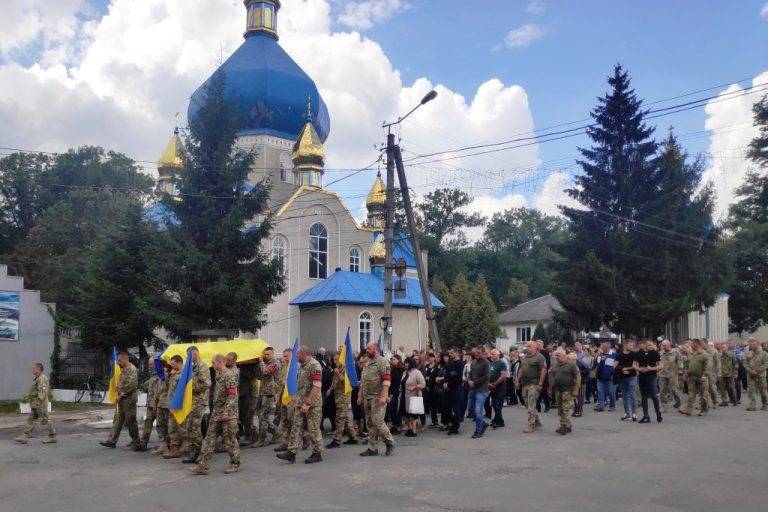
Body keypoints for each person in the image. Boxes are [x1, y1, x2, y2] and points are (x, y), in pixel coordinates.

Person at [190, 354, 240, 475]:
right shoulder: (219, 375)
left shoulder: (229, 375)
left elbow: (233, 395)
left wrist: (227, 412)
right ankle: (202, 466)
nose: (212, 365)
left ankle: (234, 463)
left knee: (230, 440)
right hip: (217, 413)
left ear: (220, 362)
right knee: (209, 439)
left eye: (213, 363)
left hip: (228, 415)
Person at [277, 346, 324, 464]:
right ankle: (291, 453)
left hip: (312, 404)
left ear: (304, 354)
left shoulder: (314, 365)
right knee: (296, 427)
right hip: (300, 402)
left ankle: (317, 453)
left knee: (313, 429)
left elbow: (317, 386)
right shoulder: (302, 366)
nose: (296, 357)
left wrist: (308, 403)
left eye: (298, 355)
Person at [358, 342, 395, 456]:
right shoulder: (367, 362)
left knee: (377, 421)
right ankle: (372, 448)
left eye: (369, 349)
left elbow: (387, 380)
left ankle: (389, 442)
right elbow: (363, 381)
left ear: (375, 349)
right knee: (369, 423)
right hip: (367, 397)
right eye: (366, 349)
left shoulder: (382, 362)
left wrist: (384, 396)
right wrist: (360, 395)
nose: (366, 351)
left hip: (378, 397)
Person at [100, 352, 140, 449]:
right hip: (122, 400)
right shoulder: (124, 370)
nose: (118, 362)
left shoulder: (132, 369)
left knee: (130, 421)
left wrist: (121, 394)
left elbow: (132, 385)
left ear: (124, 359)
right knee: (117, 420)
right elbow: (124, 383)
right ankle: (112, 441)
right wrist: (118, 388)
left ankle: (136, 442)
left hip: (129, 400)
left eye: (119, 360)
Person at [181, 347, 211, 464]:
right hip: (192, 402)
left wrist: (191, 388)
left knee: (195, 429)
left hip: (199, 401)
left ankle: (202, 455)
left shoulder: (202, 366)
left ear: (195, 354)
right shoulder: (193, 367)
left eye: (189, 356)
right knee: (190, 428)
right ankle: (194, 454)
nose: (188, 359)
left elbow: (206, 384)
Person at [14, 363, 56, 445]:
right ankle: (24, 436)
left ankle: (52, 437)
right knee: (31, 419)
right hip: (36, 404)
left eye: (34, 368)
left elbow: (42, 392)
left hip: (40, 404)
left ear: (39, 369)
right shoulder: (38, 378)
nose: (32, 370)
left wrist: (38, 403)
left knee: (46, 420)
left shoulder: (42, 378)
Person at [326, 352, 359, 448]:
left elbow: (348, 383)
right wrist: (330, 389)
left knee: (339, 419)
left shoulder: (346, 369)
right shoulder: (337, 369)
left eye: (336, 359)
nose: (335, 361)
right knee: (345, 418)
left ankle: (336, 440)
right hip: (337, 396)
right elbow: (334, 381)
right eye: (334, 360)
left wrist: (338, 374)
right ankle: (353, 437)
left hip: (344, 397)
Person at [253, 347, 281, 447]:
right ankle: (275, 432)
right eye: (264, 354)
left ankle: (262, 439)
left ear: (273, 353)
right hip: (263, 391)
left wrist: (261, 362)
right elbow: (260, 376)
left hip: (269, 392)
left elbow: (266, 372)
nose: (266, 356)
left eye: (268, 354)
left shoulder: (275, 363)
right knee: (261, 414)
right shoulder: (265, 363)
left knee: (263, 415)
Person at [517, 341, 547, 433]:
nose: (527, 348)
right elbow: (521, 369)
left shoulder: (540, 357)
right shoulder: (525, 357)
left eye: (529, 346)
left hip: (534, 383)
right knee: (527, 404)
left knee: (531, 405)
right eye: (526, 346)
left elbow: (543, 370)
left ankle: (531, 425)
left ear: (535, 347)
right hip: (525, 384)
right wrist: (518, 381)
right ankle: (537, 421)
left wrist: (540, 384)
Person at [137, 357, 164, 452]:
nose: (150, 367)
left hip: (158, 404)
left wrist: (155, 402)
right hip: (150, 404)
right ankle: (143, 443)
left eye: (152, 364)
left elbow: (159, 391)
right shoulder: (152, 376)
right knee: (148, 423)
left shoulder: (161, 375)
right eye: (149, 365)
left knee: (160, 425)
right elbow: (144, 387)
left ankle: (163, 445)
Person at [551, 349, 580, 435]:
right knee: (560, 409)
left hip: (568, 391)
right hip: (558, 390)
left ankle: (563, 426)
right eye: (555, 356)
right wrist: (550, 388)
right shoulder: (555, 366)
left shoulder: (571, 365)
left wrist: (576, 389)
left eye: (558, 355)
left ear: (564, 356)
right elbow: (554, 378)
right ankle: (568, 425)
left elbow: (578, 377)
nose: (556, 357)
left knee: (566, 409)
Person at [680, 339, 710, 416]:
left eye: (692, 343)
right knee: (691, 394)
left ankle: (704, 410)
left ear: (697, 344)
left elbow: (708, 367)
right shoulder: (691, 354)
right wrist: (686, 375)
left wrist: (704, 376)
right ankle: (688, 410)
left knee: (704, 395)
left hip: (702, 377)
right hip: (692, 377)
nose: (690, 345)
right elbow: (688, 366)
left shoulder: (704, 354)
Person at [467, 346, 491, 438]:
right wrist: (469, 380)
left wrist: (475, 382)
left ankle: (478, 431)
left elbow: (486, 377)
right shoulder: (473, 362)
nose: (476, 354)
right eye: (476, 352)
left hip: (481, 389)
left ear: (483, 353)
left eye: (479, 352)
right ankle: (482, 424)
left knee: (478, 410)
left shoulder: (486, 363)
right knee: (471, 409)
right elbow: (470, 374)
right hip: (473, 389)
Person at [163, 355, 184, 459]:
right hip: (172, 405)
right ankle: (174, 449)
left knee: (182, 429)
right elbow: (169, 388)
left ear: (179, 362)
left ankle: (192, 448)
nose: (171, 366)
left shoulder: (184, 374)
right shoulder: (174, 373)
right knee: (172, 428)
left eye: (173, 364)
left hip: (179, 406)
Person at [399, 356, 426, 437]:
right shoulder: (405, 372)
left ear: (410, 363)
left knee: (412, 415)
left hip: (413, 396)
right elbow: (402, 382)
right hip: (404, 395)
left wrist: (414, 387)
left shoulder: (417, 372)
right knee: (403, 414)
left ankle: (413, 431)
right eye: (405, 363)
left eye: (406, 363)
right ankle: (410, 428)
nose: (405, 364)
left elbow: (423, 384)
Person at [273, 348, 294, 452]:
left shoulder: (295, 367)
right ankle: (285, 442)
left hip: (292, 398)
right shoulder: (283, 367)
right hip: (283, 397)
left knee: (292, 420)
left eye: (286, 356)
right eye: (283, 356)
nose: (283, 358)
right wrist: (278, 398)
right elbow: (280, 383)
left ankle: (304, 436)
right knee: (284, 420)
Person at [637, 340, 662, 423]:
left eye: (651, 345)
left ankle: (658, 414)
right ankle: (646, 416)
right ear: (644, 345)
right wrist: (639, 369)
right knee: (643, 396)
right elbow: (634, 364)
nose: (650, 346)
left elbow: (661, 365)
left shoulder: (655, 353)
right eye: (649, 345)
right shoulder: (639, 353)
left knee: (654, 396)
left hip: (652, 376)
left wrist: (651, 368)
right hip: (642, 376)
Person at [616, 340, 639, 422]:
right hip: (622, 377)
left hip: (632, 376)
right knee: (625, 396)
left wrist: (626, 368)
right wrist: (622, 370)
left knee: (632, 394)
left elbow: (635, 365)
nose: (632, 347)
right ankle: (627, 413)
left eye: (633, 345)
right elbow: (614, 365)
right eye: (630, 345)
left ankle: (634, 413)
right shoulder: (619, 355)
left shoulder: (634, 354)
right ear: (625, 345)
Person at [152, 360, 171, 455]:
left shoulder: (169, 375)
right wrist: (155, 402)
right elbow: (157, 390)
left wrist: (166, 374)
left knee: (169, 426)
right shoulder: (160, 376)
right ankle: (162, 445)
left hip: (168, 404)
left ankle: (171, 446)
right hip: (160, 404)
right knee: (159, 425)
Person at [744, 338, 768, 411]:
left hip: (760, 374)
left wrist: (757, 370)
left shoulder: (764, 353)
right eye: (751, 344)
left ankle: (765, 404)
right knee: (751, 390)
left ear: (758, 344)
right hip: (751, 374)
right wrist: (750, 370)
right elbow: (745, 363)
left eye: (754, 344)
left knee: (763, 390)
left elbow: (766, 364)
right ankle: (752, 405)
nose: (752, 346)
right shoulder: (748, 353)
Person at [659, 340, 681, 411]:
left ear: (669, 345)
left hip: (673, 374)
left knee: (674, 389)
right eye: (662, 345)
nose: (663, 347)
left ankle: (678, 402)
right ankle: (664, 406)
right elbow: (658, 362)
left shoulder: (676, 352)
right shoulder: (661, 353)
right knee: (662, 390)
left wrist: (679, 371)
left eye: (664, 345)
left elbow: (680, 362)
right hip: (663, 374)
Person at [594, 342, 617, 412]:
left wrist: (612, 371)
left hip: (610, 377)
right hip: (600, 377)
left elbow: (617, 365)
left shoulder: (614, 355)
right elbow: (596, 364)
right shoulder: (600, 355)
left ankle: (612, 406)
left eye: (603, 347)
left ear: (608, 347)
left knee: (611, 392)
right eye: (601, 347)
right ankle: (601, 406)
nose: (602, 348)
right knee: (600, 391)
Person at [488, 349, 508, 429]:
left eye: (493, 354)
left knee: (497, 404)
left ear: (498, 355)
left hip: (500, 387)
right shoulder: (492, 363)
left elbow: (503, 376)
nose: (491, 356)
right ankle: (499, 421)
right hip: (492, 387)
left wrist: (495, 383)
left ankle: (496, 421)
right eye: (491, 354)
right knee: (494, 404)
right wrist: (489, 384)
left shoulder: (502, 363)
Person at [387, 354, 404, 435]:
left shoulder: (402, 370)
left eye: (394, 359)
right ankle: (395, 424)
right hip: (393, 392)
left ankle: (399, 426)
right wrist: (390, 393)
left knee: (397, 409)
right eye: (392, 359)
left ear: (398, 360)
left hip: (399, 392)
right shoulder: (392, 369)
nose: (392, 361)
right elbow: (391, 382)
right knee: (391, 409)